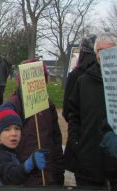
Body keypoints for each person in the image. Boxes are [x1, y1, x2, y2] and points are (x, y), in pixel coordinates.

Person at [65, 33, 117, 188]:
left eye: (110, 50)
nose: (105, 55)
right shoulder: (84, 80)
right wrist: (76, 142)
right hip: (88, 161)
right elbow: (73, 114)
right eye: (101, 51)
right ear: (96, 54)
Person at [9, 58, 64, 185]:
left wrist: (59, 170)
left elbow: (56, 139)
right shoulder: (13, 104)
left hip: (48, 171)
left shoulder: (48, 105)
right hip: (25, 171)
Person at [0, 102, 48, 185]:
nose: (14, 133)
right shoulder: (0, 155)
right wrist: (28, 165)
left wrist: (33, 167)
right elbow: (9, 176)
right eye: (7, 129)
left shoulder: (9, 151)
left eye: (17, 128)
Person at [62, 34, 97, 122]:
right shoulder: (106, 74)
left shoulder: (75, 75)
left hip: (81, 130)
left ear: (82, 52)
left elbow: (67, 110)